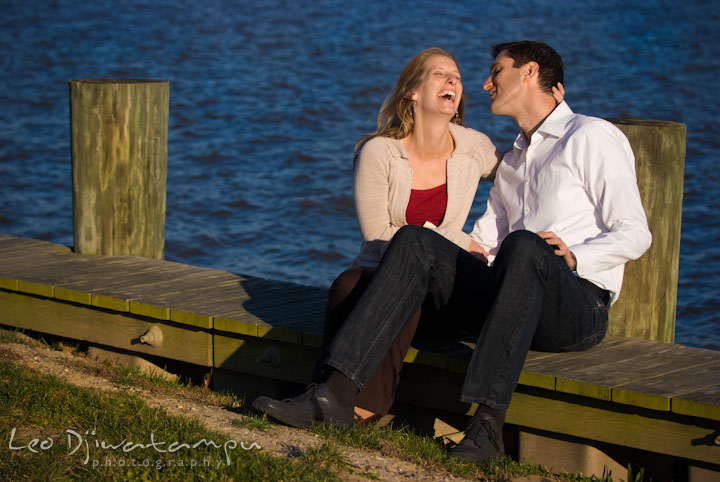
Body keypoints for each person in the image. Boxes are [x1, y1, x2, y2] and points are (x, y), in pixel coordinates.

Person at [255, 40, 647, 466]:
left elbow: (634, 232)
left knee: (525, 245)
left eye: (496, 72)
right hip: (510, 298)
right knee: (415, 242)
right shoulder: (512, 160)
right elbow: (486, 242)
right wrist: (456, 263)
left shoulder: (590, 136)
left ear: (530, 73)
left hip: (576, 304)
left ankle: (487, 428)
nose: (485, 83)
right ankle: (334, 396)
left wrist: (575, 256)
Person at [318, 47, 564, 425]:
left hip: (442, 287)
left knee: (397, 293)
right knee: (348, 285)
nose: (453, 81)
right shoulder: (378, 153)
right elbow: (377, 236)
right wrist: (459, 239)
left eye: (457, 76)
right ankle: (328, 396)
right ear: (412, 93)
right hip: (380, 266)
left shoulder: (474, 147)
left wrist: (560, 128)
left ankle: (359, 408)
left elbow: (525, 178)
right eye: (439, 74)